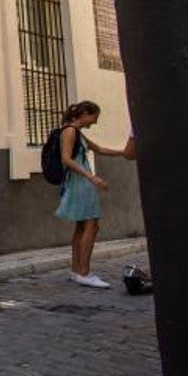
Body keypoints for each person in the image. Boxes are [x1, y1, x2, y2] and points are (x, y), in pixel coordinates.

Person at [55, 101, 135, 288]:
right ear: (85, 114)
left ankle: (77, 271)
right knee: (91, 226)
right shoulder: (70, 132)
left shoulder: (77, 132)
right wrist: (92, 177)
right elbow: (66, 159)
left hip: (80, 182)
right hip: (80, 184)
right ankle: (84, 272)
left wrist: (123, 153)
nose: (95, 122)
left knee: (81, 226)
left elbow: (98, 149)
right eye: (94, 117)